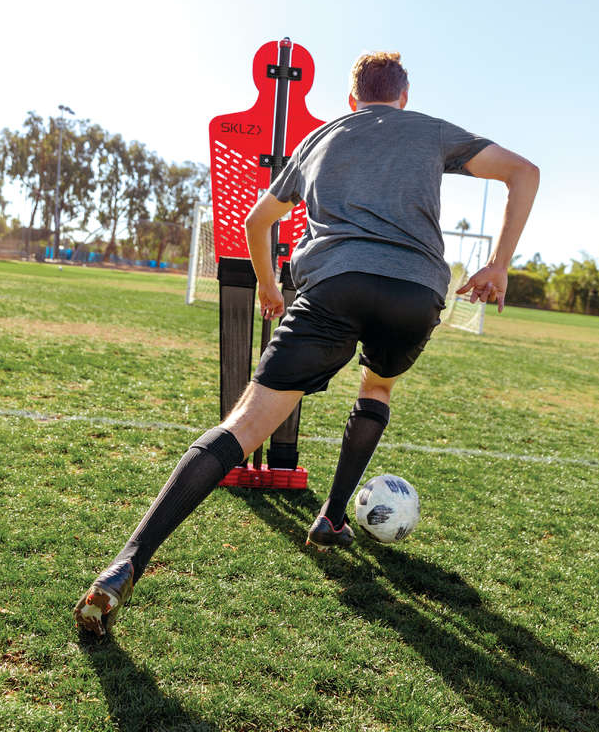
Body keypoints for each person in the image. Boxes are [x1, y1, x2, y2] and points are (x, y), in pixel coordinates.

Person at [75, 51, 539, 636]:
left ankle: (124, 565)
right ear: (403, 95)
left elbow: (255, 220)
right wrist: (498, 264)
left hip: (335, 284)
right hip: (415, 292)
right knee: (377, 386)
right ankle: (331, 516)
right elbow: (525, 171)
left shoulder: (322, 137)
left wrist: (270, 287)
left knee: (243, 426)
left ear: (352, 99)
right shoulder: (432, 131)